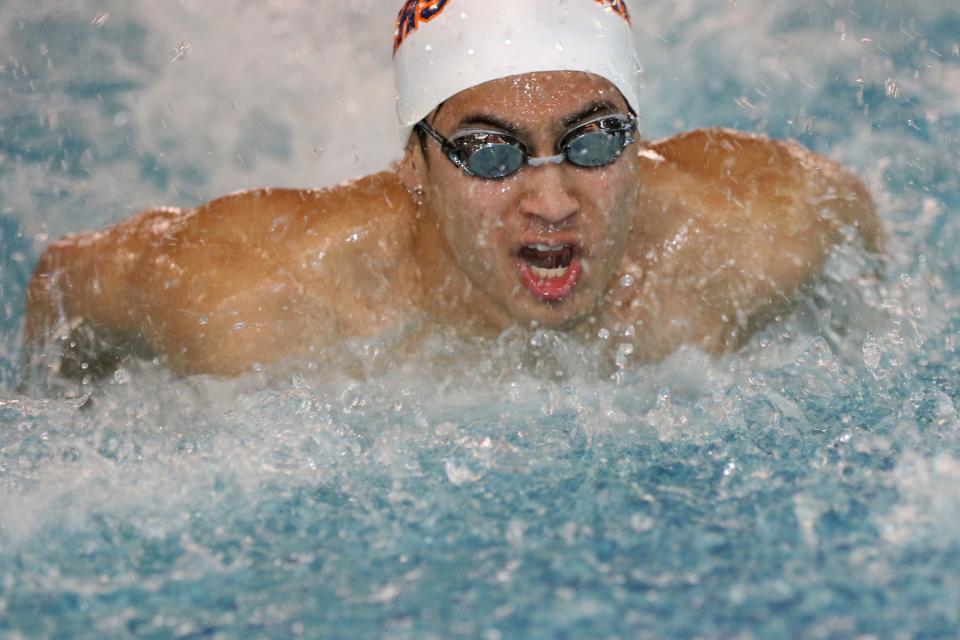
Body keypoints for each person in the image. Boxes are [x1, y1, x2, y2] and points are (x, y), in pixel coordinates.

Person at [23, 0, 882, 381]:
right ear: (414, 165)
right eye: (489, 154)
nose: (551, 199)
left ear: (639, 134)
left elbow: (857, 232)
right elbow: (66, 278)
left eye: (591, 140)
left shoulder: (758, 229)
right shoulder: (260, 296)